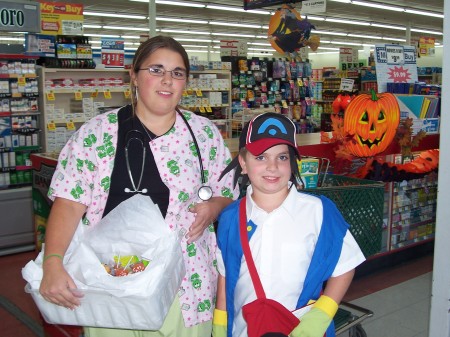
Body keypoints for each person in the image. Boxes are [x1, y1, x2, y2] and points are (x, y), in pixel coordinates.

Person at [39, 35, 239, 337]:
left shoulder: (204, 134)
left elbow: (227, 191)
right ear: (134, 75)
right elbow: (69, 201)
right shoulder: (97, 135)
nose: (167, 80)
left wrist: (214, 207)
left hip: (186, 283)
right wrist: (53, 262)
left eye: (177, 73)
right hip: (111, 281)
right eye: (156, 70)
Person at [213, 112, 366, 337]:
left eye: (282, 157)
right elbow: (225, 274)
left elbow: (345, 265)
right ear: (243, 163)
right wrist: (219, 324)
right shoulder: (230, 218)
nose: (272, 167)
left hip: (303, 329)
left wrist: (322, 314)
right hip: (243, 330)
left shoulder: (318, 211)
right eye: (261, 157)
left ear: (292, 163)